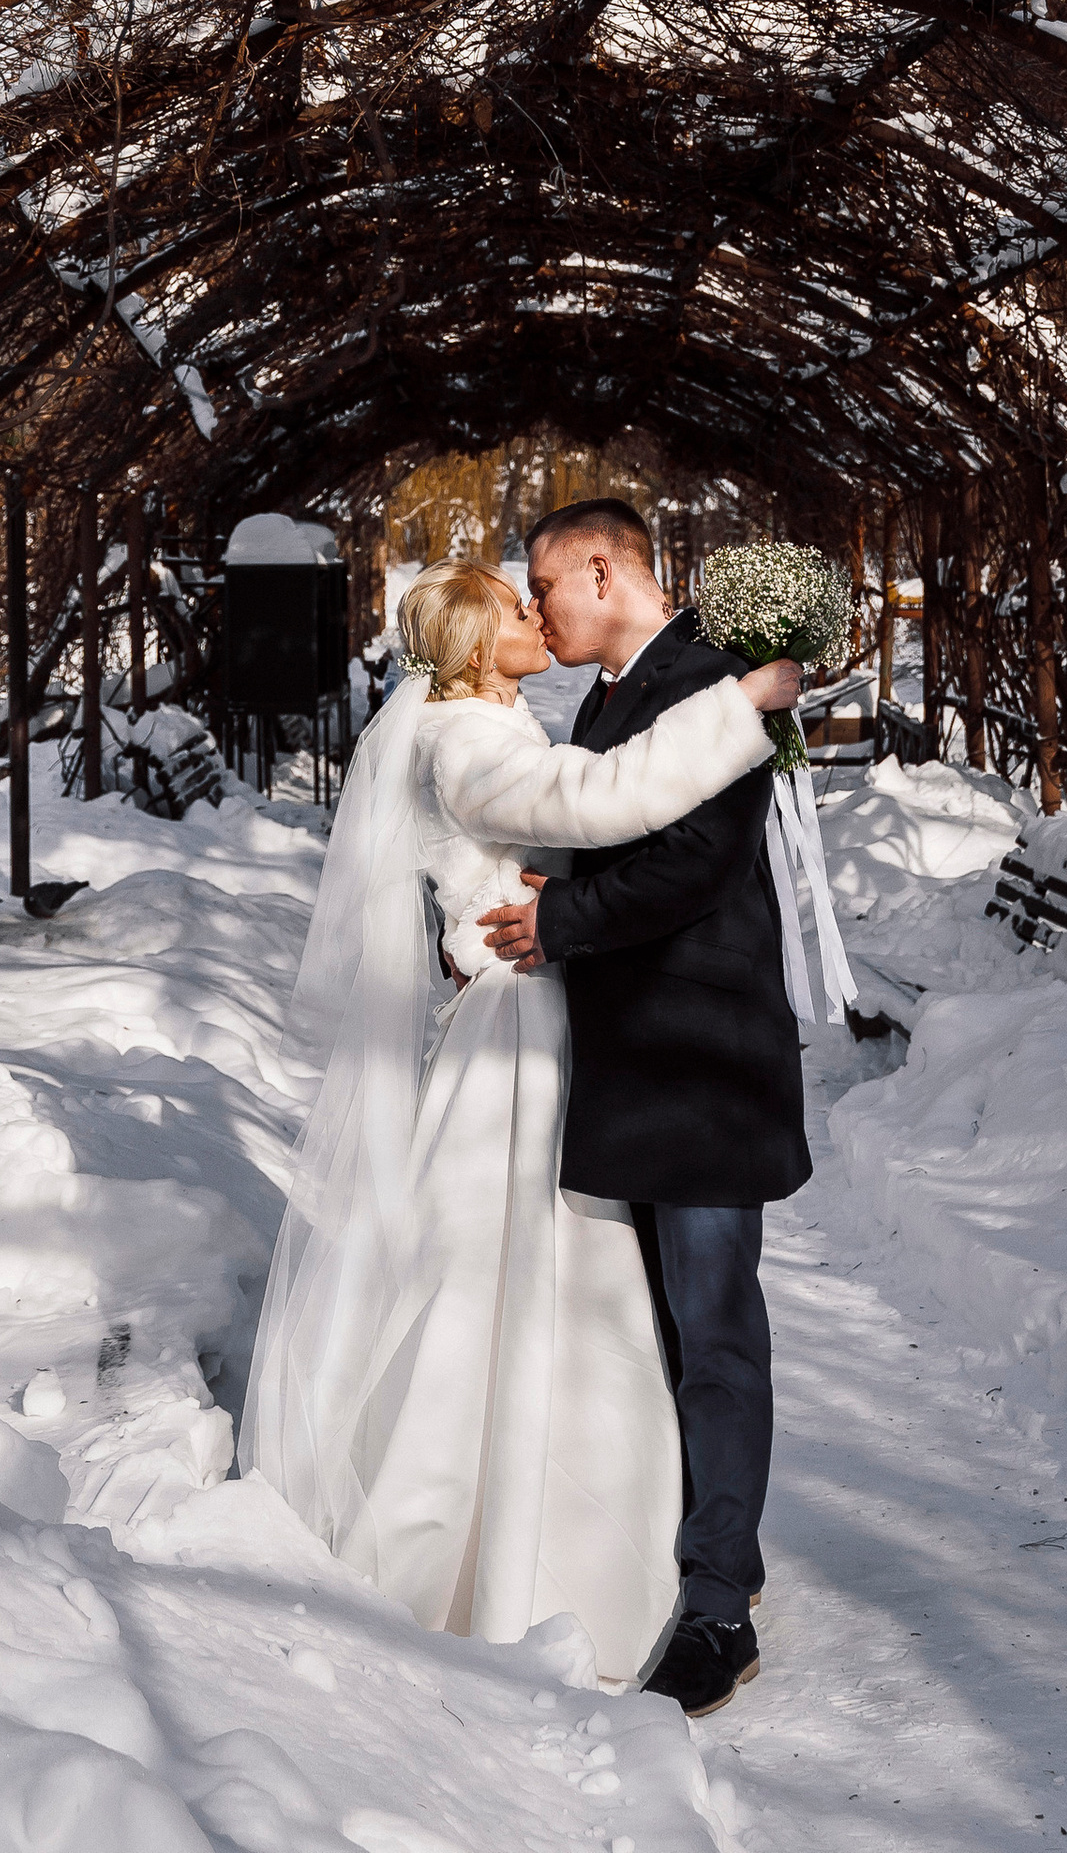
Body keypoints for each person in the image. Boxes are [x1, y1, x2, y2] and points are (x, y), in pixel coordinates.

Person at [242, 560, 802, 1689]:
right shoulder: (462, 739)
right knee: (511, 1281)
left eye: (537, 592)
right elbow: (597, 803)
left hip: (555, 1028)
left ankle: (622, 1542)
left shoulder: (505, 721)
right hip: (514, 1039)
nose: (533, 613)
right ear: (469, 640)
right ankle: (527, 1547)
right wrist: (744, 706)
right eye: (513, 605)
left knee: (561, 1286)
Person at [478, 500, 808, 1721]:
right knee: (661, 1334)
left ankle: (718, 1607)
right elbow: (610, 829)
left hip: (705, 1061)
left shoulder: (715, 679)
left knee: (714, 1334)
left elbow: (696, 864)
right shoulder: (612, 697)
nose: (537, 609)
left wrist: (556, 921)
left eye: (545, 586)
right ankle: (700, 1552)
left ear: (603, 569)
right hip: (634, 1060)